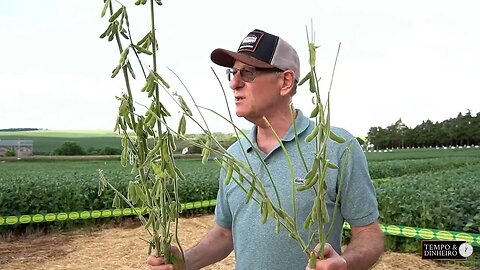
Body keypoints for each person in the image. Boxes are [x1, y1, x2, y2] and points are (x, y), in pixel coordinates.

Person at [148, 29, 384, 270]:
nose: (233, 83)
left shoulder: (336, 147)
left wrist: (345, 263)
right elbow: (225, 233)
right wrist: (185, 262)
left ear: (285, 81)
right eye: (233, 72)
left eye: (247, 73)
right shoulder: (234, 156)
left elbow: (369, 234)